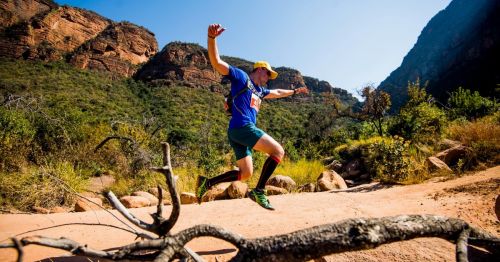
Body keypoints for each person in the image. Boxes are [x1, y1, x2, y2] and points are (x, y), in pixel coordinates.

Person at [196, 23, 309, 210]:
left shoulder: (260, 90)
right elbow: (216, 62)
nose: (269, 76)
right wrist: (211, 38)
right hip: (243, 127)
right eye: (268, 73)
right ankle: (259, 191)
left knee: (245, 173)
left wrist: (295, 91)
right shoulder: (242, 77)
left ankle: (206, 183)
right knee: (278, 151)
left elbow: (278, 92)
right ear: (259, 69)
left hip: (236, 132)